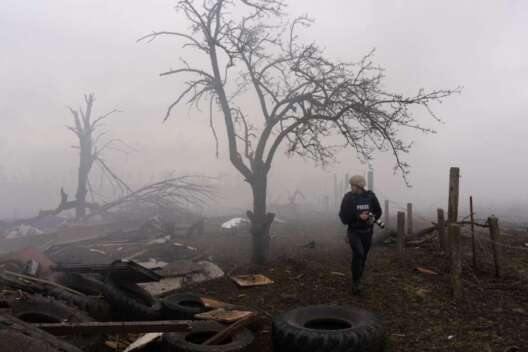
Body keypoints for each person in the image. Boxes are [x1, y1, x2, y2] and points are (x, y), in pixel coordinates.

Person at [339, 175, 382, 294]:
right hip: (354, 232)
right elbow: (343, 217)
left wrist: (371, 217)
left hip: (367, 232)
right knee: (359, 253)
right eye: (351, 185)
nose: (351, 188)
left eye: (352, 185)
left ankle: (358, 278)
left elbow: (378, 211)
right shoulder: (348, 198)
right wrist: (358, 216)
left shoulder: (370, 196)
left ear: (359, 186)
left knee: (363, 257)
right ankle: (356, 283)